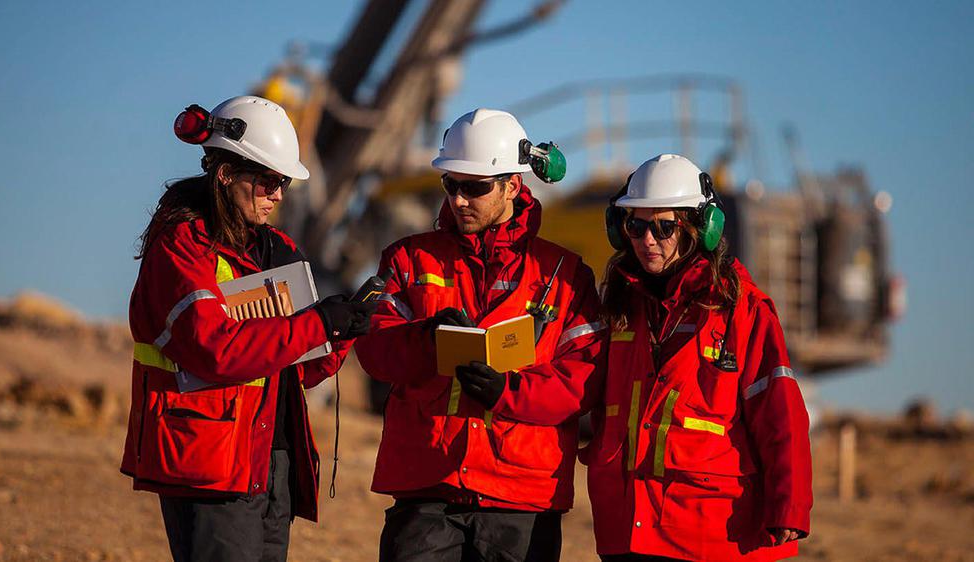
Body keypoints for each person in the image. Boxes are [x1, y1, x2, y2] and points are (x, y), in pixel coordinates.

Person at [120, 95, 376, 562]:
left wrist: (338, 335)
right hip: (208, 460)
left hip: (270, 458)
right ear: (225, 174)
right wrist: (315, 324)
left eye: (283, 184)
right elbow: (213, 348)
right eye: (269, 181)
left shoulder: (278, 248)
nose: (278, 194)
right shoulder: (182, 248)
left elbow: (297, 371)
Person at [354, 108, 606, 561]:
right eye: (451, 185)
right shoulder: (408, 260)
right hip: (427, 488)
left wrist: (508, 391)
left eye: (475, 187)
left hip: (521, 498)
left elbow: (583, 377)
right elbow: (375, 348)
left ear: (513, 185)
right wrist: (427, 338)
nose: (460, 200)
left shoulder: (566, 275)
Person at [583, 154, 812, 561]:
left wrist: (788, 507)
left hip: (709, 534)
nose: (647, 240)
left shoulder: (742, 309)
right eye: (635, 225)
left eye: (663, 227)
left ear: (699, 229)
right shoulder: (618, 305)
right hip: (626, 528)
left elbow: (779, 412)